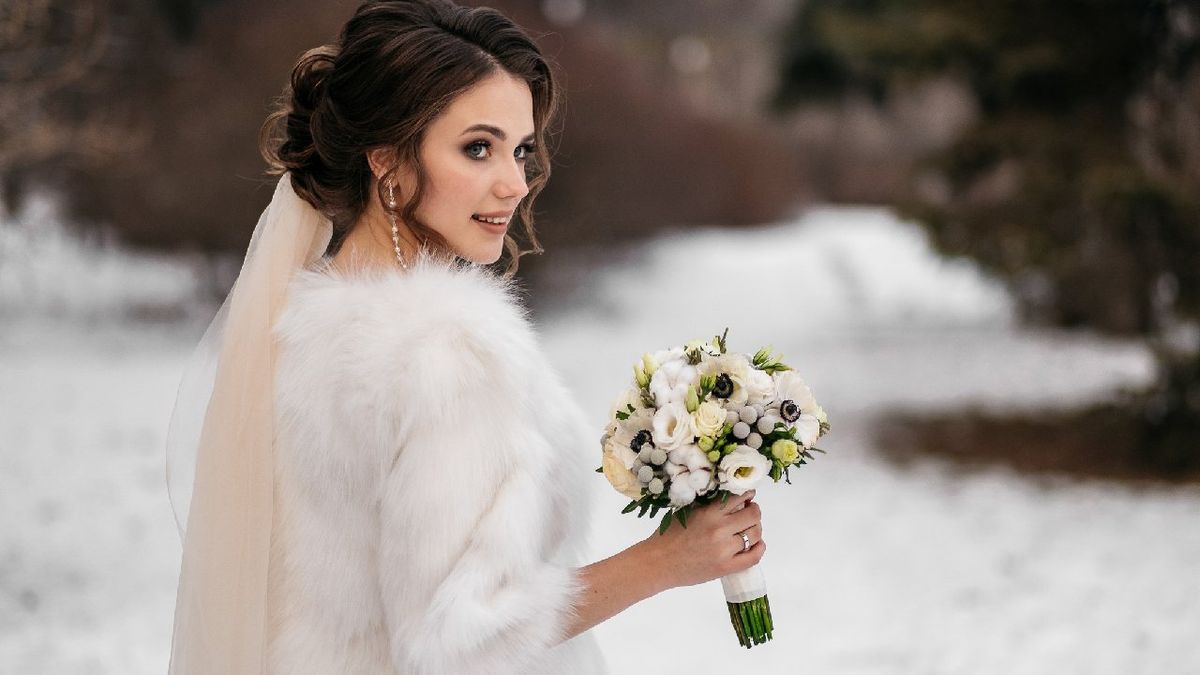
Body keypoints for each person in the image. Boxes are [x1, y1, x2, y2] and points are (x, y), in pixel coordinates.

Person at [164, 1, 766, 673]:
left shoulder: (306, 321)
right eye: (477, 147)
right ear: (388, 159)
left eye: (521, 149)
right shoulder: (445, 351)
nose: (514, 182)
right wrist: (666, 559)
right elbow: (461, 635)